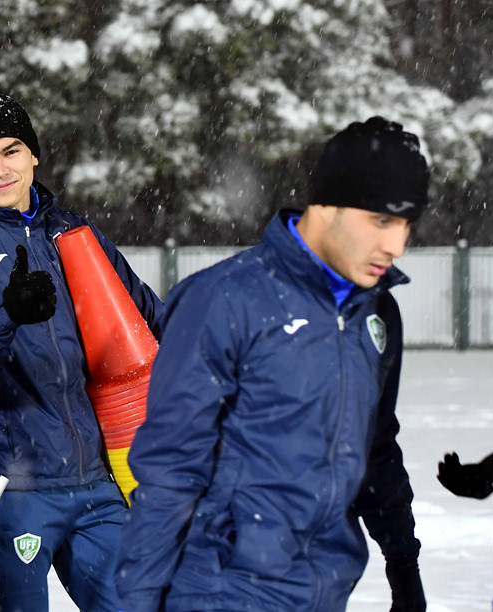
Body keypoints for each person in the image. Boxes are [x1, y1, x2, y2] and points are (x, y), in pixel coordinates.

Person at [115, 117, 429, 612]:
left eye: (407, 224)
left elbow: (375, 449)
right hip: (219, 589)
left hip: (326, 587)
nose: (397, 245)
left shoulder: (377, 313)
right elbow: (171, 469)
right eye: (383, 220)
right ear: (327, 205)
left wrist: (403, 569)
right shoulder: (223, 300)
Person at [0, 93, 163, 611]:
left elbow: (151, 322)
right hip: (11, 492)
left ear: (34, 156)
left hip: (98, 484)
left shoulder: (75, 234)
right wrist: (3, 317)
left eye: (11, 151)